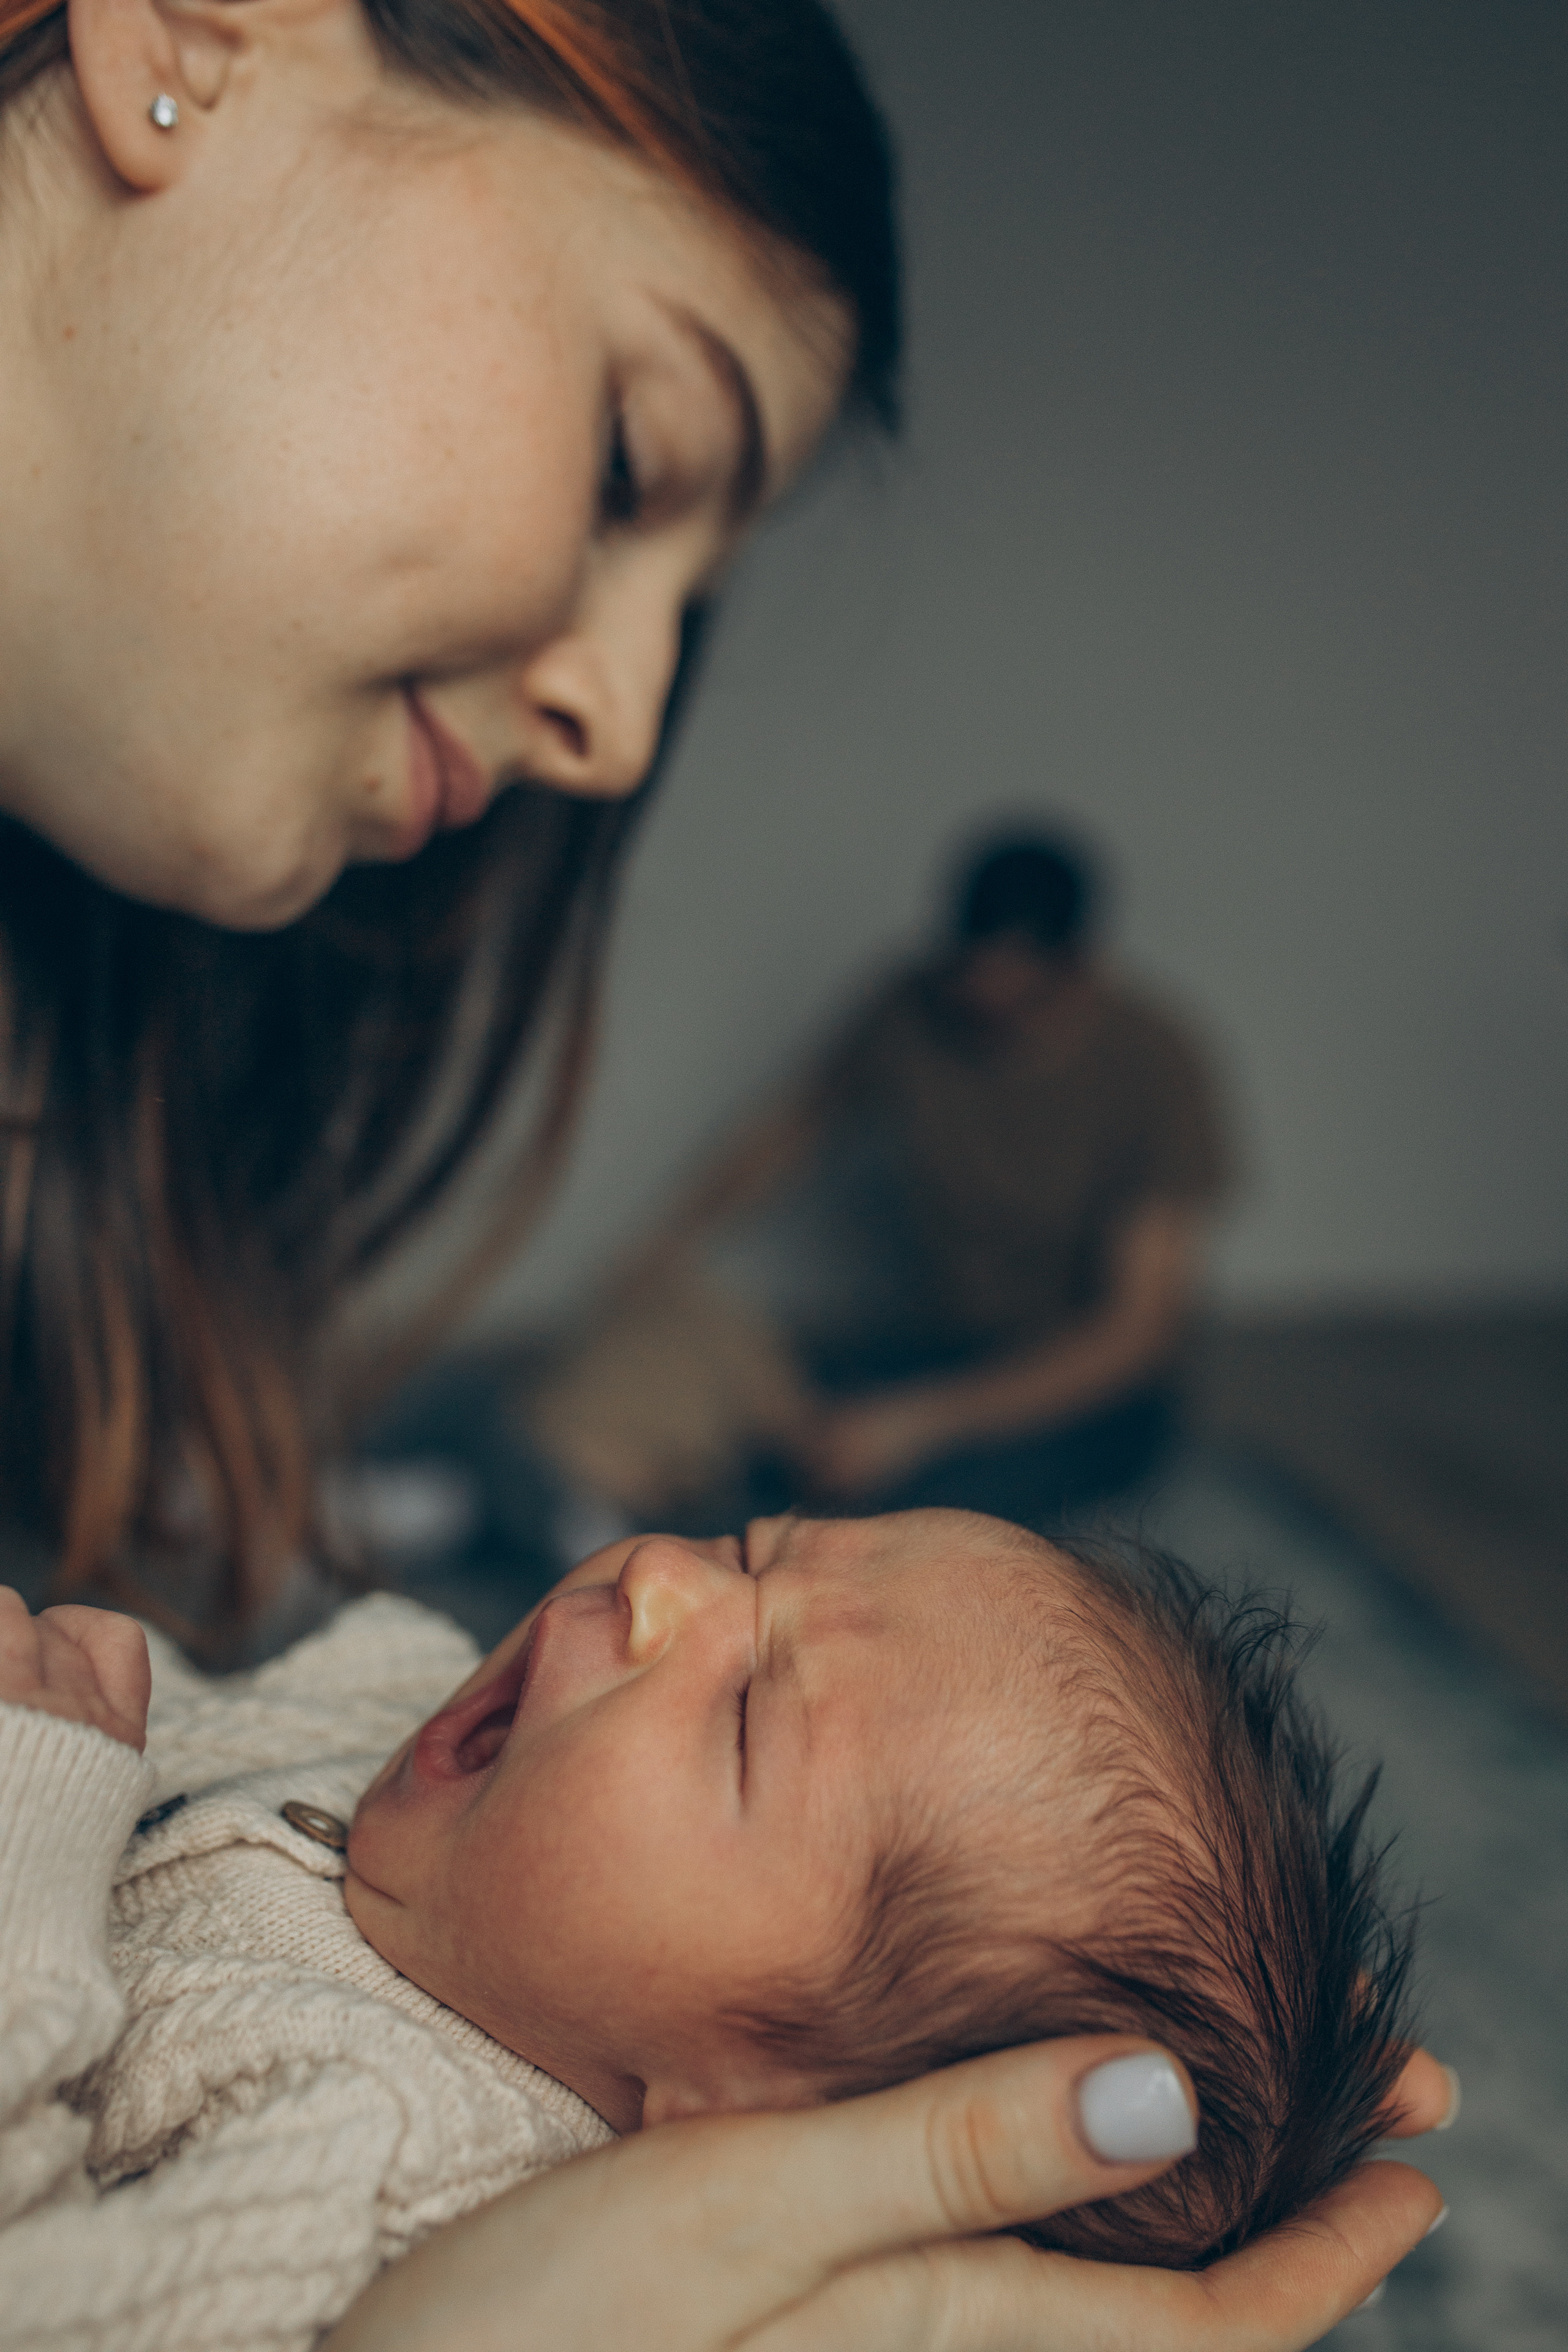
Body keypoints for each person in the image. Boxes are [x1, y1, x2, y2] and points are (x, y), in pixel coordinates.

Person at [0, 0, 1448, 2340]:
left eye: (692, 593)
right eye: (626, 452)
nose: (625, 719)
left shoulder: (1152, 1071)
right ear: (192, 39)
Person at [1, 1507, 1417, 2344]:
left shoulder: (386, 2171)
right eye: (759, 1545)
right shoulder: (436, 1736)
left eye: (746, 1717)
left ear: (748, 2127)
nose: (661, 1573)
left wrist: (37, 1805)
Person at [538, 828, 1231, 1531]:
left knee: (914, 1516)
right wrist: (665, 1242)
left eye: (1021, 1010)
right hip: (940, 1340)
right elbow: (790, 1129)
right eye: (974, 1003)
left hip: (1079, 1381)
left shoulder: (1157, 1061)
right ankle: (551, 1489)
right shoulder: (908, 1006)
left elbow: (1136, 1331)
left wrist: (922, 1423)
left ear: (1084, 971)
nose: (993, 1029)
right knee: (791, 1436)